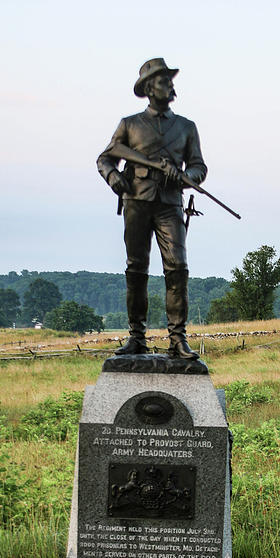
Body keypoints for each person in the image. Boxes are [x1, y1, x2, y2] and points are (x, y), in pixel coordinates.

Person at [97, 58, 207, 359]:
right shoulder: (129, 124)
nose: (169, 85)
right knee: (136, 270)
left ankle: (177, 339)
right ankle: (136, 338)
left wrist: (186, 178)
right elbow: (105, 159)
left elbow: (199, 166)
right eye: (162, 80)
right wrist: (114, 177)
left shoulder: (186, 127)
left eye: (170, 80)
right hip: (136, 201)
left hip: (170, 203)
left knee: (178, 269)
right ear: (149, 87)